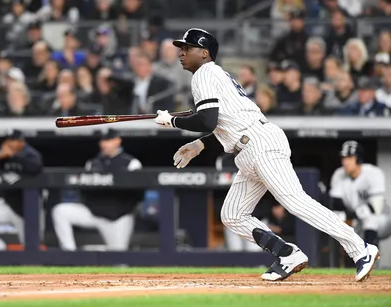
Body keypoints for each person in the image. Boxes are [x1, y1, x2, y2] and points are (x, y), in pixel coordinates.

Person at [154, 28, 379, 282]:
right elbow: (226, 121)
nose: (181, 52)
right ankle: (287, 254)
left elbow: (207, 120)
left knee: (295, 201)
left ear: (204, 53)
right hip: (248, 147)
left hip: (260, 144)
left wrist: (172, 121)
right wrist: (200, 145)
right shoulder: (213, 74)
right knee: (233, 214)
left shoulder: (204, 73)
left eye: (187, 47)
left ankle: (360, 249)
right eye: (181, 48)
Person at [52, 129, 143, 251]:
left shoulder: (131, 163)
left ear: (117, 141)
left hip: (118, 218)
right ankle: (70, 254)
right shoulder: (93, 163)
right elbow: (84, 190)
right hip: (94, 213)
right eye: (102, 140)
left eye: (108, 140)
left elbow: (138, 194)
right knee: (60, 211)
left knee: (118, 262)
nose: (104, 144)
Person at [329, 141, 391, 248]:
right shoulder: (338, 174)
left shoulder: (373, 173)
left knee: (370, 219)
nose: (345, 162)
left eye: (349, 157)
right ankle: (346, 263)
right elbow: (336, 204)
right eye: (343, 158)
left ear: (358, 158)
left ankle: (369, 258)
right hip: (356, 219)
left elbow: (376, 206)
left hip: (382, 220)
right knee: (338, 225)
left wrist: (349, 216)